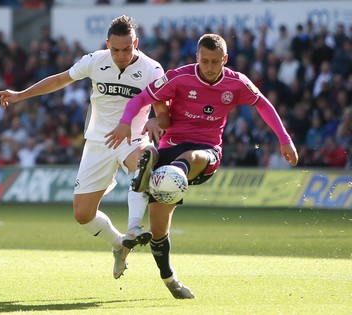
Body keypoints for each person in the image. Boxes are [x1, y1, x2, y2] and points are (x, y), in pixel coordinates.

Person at [105, 33, 299, 299]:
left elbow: (263, 104)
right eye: (204, 60)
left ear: (225, 60)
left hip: (206, 152)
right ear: (197, 57)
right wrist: (127, 121)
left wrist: (285, 140)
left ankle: (157, 173)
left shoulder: (236, 82)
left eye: (215, 62)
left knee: (190, 159)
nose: (209, 67)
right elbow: (141, 99)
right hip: (171, 148)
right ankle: (170, 279)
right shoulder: (179, 77)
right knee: (159, 229)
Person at [0, 15, 168, 280]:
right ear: (107, 44)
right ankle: (120, 244)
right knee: (83, 215)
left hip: (133, 139)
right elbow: (60, 80)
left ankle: (133, 228)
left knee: (144, 164)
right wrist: (20, 95)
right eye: (115, 49)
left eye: (127, 49)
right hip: (98, 142)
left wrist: (156, 119)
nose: (120, 55)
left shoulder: (153, 69)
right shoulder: (94, 60)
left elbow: (164, 113)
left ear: (136, 43)